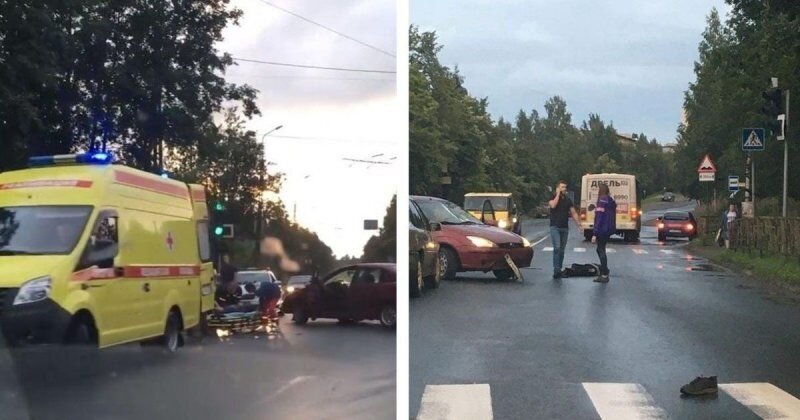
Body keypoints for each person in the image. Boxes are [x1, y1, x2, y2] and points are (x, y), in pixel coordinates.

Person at [549, 180, 583, 279]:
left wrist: (579, 225)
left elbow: (574, 213)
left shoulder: (568, 200)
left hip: (564, 227)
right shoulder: (553, 197)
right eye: (562, 187)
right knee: (557, 248)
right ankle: (556, 270)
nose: (564, 189)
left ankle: (559, 268)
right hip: (555, 227)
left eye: (565, 187)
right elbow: (553, 205)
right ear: (558, 188)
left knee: (562, 250)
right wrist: (557, 195)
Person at [591, 184, 616, 283]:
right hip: (609, 228)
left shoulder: (601, 201)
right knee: (601, 249)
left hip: (602, 229)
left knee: (600, 249)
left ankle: (604, 274)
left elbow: (599, 217)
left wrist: (595, 233)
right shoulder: (610, 200)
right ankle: (604, 269)